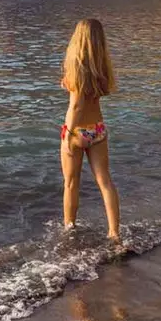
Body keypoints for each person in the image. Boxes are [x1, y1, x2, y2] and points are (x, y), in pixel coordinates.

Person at [60, 17, 121, 240]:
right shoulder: (102, 67)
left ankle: (69, 228)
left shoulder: (76, 67)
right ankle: (114, 233)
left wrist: (68, 132)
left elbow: (76, 106)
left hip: (77, 131)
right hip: (97, 129)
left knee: (71, 183)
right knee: (105, 181)